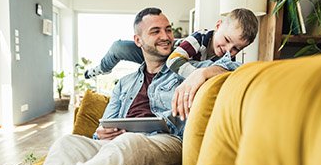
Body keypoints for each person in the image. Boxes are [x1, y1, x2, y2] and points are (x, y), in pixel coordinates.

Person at [0, 7, 185, 165]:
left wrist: (200, 74)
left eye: (167, 30)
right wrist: (102, 133)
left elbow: (229, 65)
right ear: (138, 40)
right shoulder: (125, 83)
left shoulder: (186, 73)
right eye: (155, 31)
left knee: (130, 143)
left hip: (166, 144)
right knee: (68, 144)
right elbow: (104, 126)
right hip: (119, 143)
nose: (166, 37)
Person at [84, 8, 258, 120]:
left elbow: (232, 73)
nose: (228, 49)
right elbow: (174, 60)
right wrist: (196, 75)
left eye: (236, 48)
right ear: (218, 26)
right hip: (169, 53)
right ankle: (98, 70)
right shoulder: (200, 38)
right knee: (118, 47)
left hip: (172, 64)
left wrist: (205, 73)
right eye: (226, 40)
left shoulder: (227, 57)